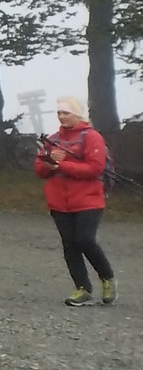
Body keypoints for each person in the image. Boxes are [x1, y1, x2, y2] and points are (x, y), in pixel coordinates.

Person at [35, 96, 116, 306]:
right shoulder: (52, 140)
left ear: (77, 114)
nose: (61, 116)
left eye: (66, 113)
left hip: (89, 200)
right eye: (59, 113)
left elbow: (95, 169)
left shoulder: (92, 137)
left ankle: (107, 278)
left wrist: (61, 166)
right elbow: (40, 170)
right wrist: (49, 162)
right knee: (69, 244)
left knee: (85, 240)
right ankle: (82, 288)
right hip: (58, 202)